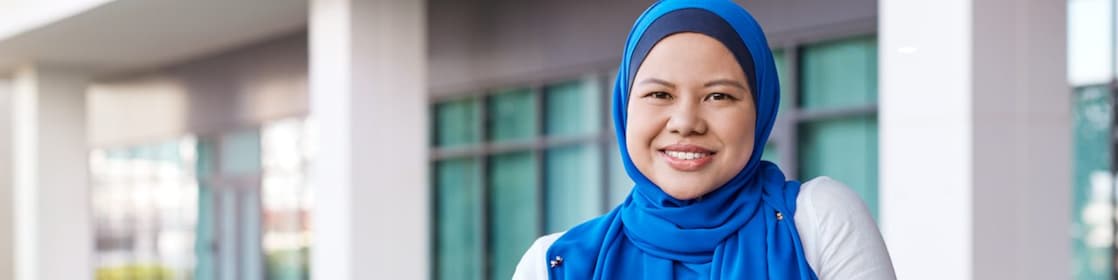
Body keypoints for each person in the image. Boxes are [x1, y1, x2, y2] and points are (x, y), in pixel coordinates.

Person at [512, 0, 895, 279]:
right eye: (659, 94)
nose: (685, 122)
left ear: (760, 111)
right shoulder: (554, 264)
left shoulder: (817, 221)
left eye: (719, 96)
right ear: (624, 108)